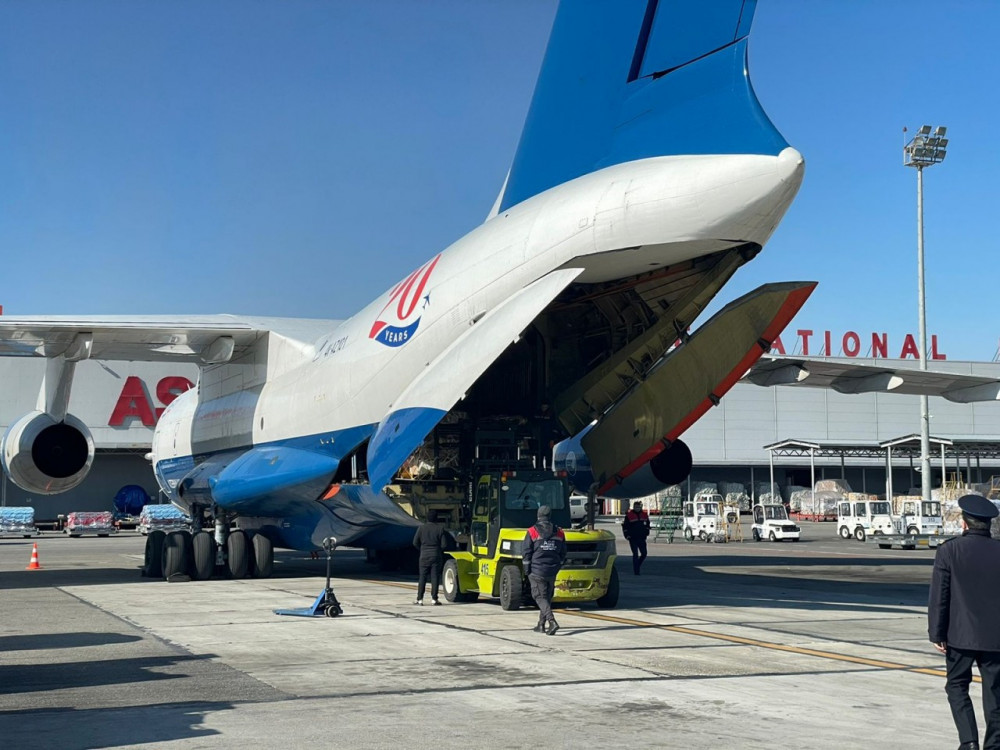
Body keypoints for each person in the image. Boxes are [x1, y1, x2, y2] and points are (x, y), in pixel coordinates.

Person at [928, 494, 1000, 750]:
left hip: (959, 635)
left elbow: (940, 595)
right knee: (995, 693)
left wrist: (936, 633)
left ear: (964, 524)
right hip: (995, 638)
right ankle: (995, 745)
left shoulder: (949, 550)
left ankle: (969, 742)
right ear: (989, 524)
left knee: (957, 686)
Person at [522, 505, 566, 635]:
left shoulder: (531, 531)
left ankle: (552, 621)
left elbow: (526, 552)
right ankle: (541, 624)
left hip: (537, 570)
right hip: (552, 570)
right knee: (546, 597)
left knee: (539, 596)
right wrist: (558, 566)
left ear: (538, 516)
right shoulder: (560, 532)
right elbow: (563, 552)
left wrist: (526, 570)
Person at [412, 511, 453, 605]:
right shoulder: (440, 529)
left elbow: (415, 542)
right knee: (435, 577)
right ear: (436, 518)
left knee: (422, 577)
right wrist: (438, 550)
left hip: (424, 556)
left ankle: (420, 599)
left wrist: (422, 549)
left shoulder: (421, 528)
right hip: (436, 555)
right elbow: (444, 544)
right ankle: (434, 599)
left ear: (427, 518)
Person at [622, 500, 650, 575]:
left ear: (641, 507)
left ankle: (637, 565)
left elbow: (647, 524)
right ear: (633, 507)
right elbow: (625, 526)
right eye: (636, 507)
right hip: (633, 538)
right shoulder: (629, 515)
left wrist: (647, 532)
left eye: (638, 507)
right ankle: (636, 571)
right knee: (635, 554)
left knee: (644, 554)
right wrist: (627, 535)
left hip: (641, 537)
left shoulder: (644, 515)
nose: (637, 508)